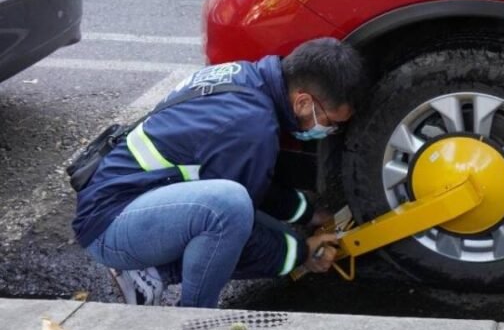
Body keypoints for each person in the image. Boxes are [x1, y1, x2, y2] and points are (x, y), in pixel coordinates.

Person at [72, 37, 367, 308]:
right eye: (330, 122)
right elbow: (238, 223)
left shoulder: (247, 78)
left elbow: (254, 187)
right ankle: (194, 317)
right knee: (230, 210)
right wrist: (303, 254)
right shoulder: (252, 127)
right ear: (303, 102)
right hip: (111, 227)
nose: (329, 130)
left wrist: (309, 215)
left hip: (132, 201)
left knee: (256, 221)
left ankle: (150, 274)